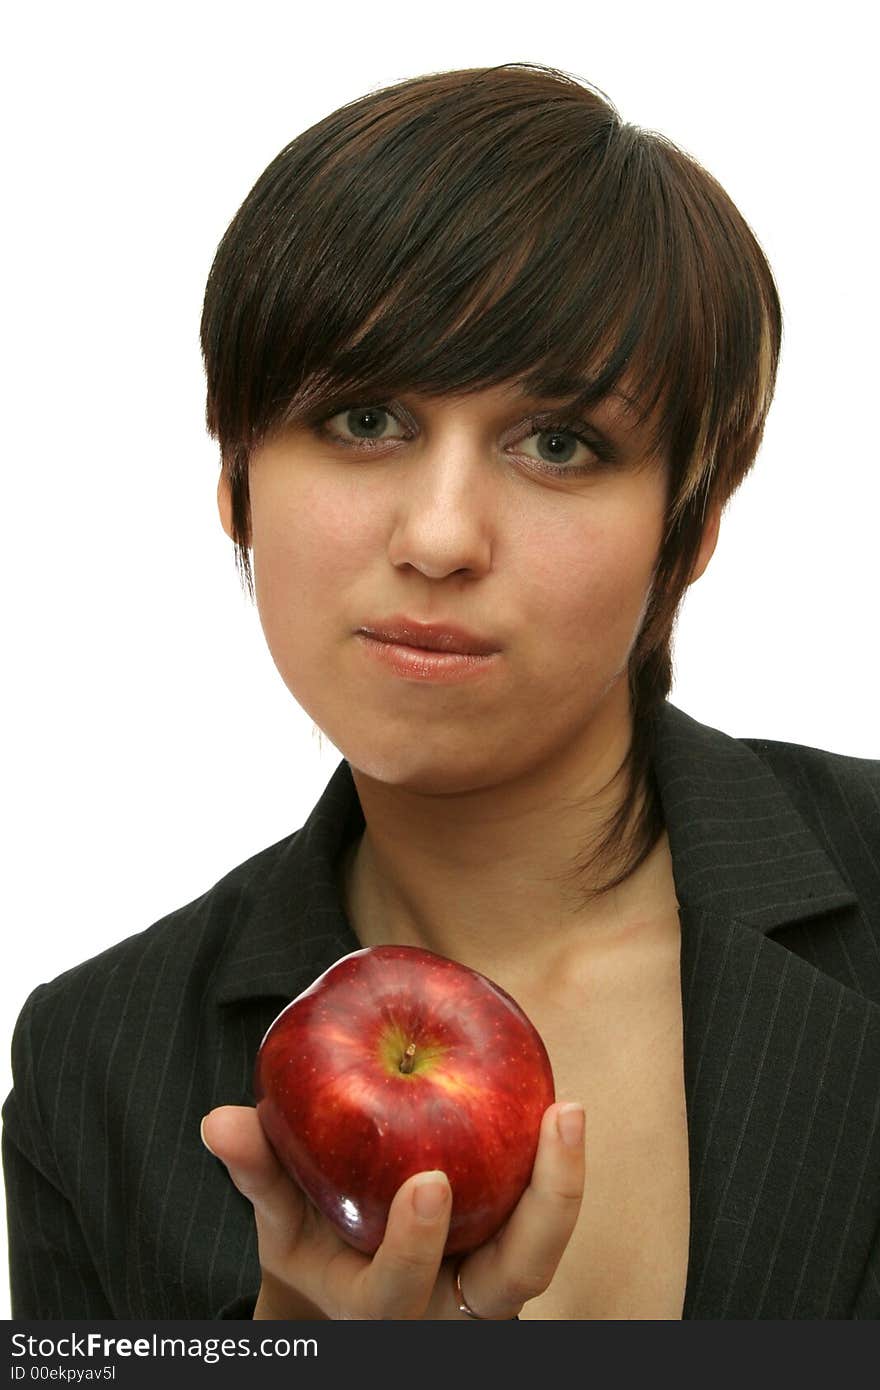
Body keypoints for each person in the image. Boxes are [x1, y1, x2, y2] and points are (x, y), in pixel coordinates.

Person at [3, 61, 879, 1322]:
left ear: (685, 531)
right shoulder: (96, 1070)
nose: (442, 535)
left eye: (559, 444)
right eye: (364, 419)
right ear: (238, 483)